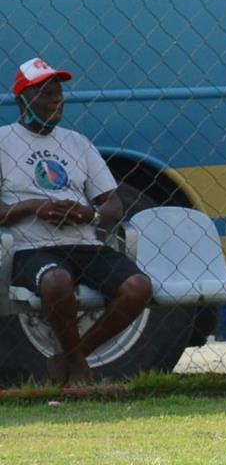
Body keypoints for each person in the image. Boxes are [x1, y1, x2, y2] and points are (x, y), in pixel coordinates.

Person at [0, 58, 152, 384]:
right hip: (31, 248)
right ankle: (79, 366)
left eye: (59, 93)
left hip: (83, 242)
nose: (57, 100)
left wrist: (90, 214)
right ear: (22, 100)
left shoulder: (77, 143)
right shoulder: (3, 142)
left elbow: (113, 204)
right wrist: (32, 206)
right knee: (56, 281)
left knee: (138, 287)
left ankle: (71, 356)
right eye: (45, 93)